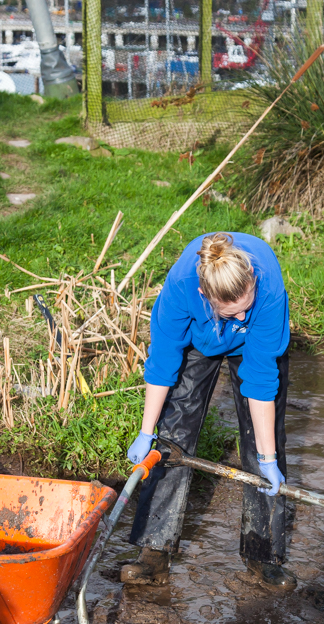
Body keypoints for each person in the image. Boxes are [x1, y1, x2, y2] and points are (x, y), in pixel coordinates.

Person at [122, 232, 295, 590]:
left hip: (253, 344)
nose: (243, 313)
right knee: (172, 434)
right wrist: (146, 430)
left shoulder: (269, 287)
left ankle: (263, 555)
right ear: (204, 295)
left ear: (252, 278)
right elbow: (164, 360)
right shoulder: (182, 286)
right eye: (233, 311)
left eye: (247, 304)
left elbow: (261, 381)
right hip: (201, 339)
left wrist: (266, 457)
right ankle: (154, 552)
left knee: (263, 439)